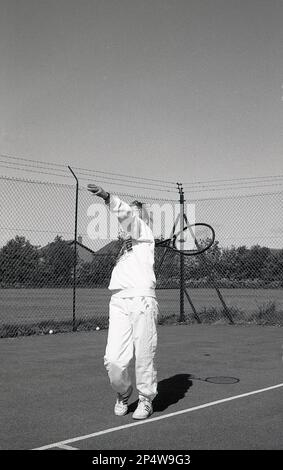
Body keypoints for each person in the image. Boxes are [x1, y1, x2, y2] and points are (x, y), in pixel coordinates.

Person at [87, 184, 159, 420]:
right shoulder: (126, 248)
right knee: (113, 360)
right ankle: (123, 392)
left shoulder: (144, 233)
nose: (129, 214)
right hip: (118, 299)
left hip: (141, 299)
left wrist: (108, 198)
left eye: (133, 211)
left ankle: (146, 399)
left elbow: (128, 217)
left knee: (144, 353)